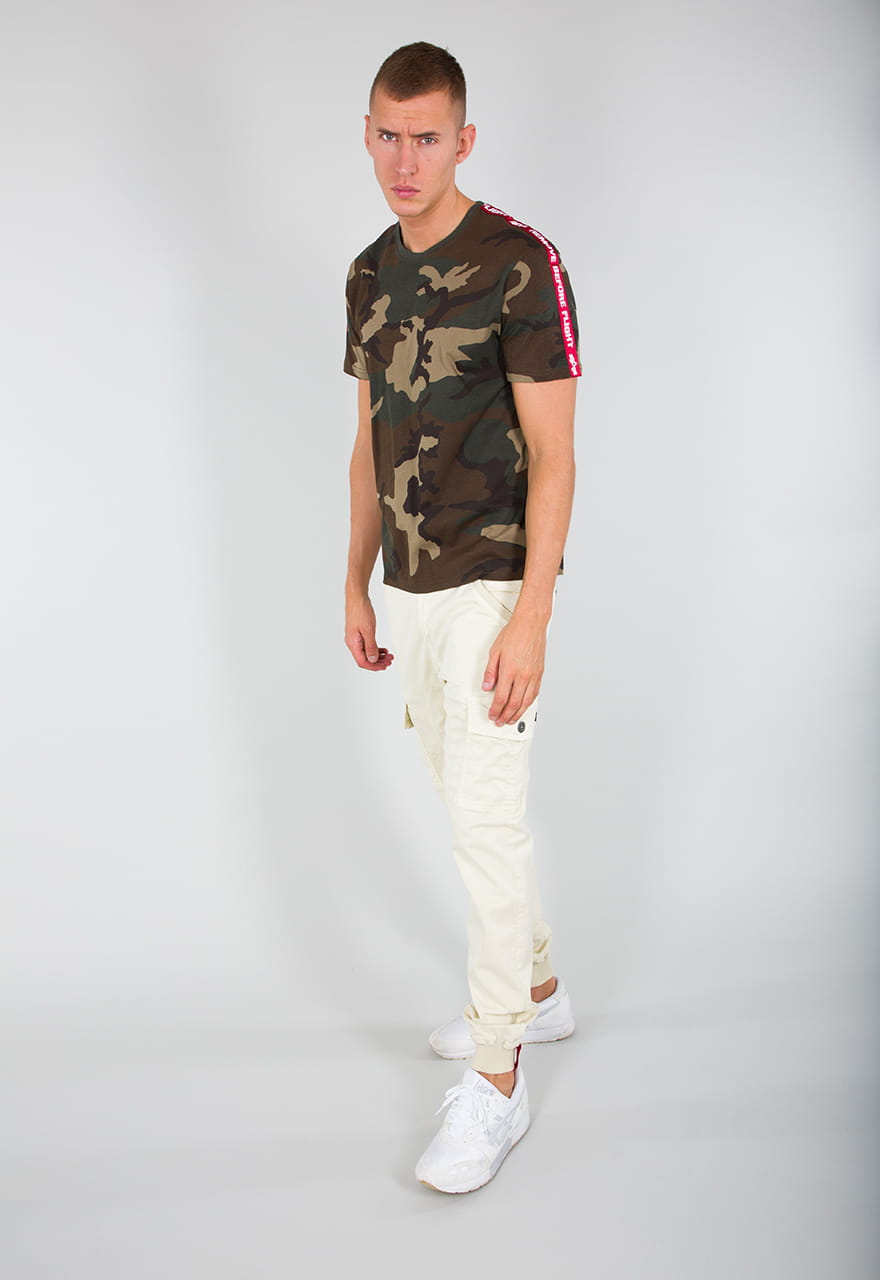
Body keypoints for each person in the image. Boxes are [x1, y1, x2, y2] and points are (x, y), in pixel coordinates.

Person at [343, 41, 580, 1193]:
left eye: (427, 137)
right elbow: (366, 442)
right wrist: (353, 577)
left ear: (463, 141)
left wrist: (531, 614)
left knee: (486, 827)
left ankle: (498, 1076)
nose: (406, 159)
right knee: (461, 804)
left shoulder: (518, 263)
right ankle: (535, 987)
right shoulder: (368, 273)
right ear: (369, 135)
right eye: (388, 135)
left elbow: (556, 454)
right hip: (413, 585)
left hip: (492, 584)